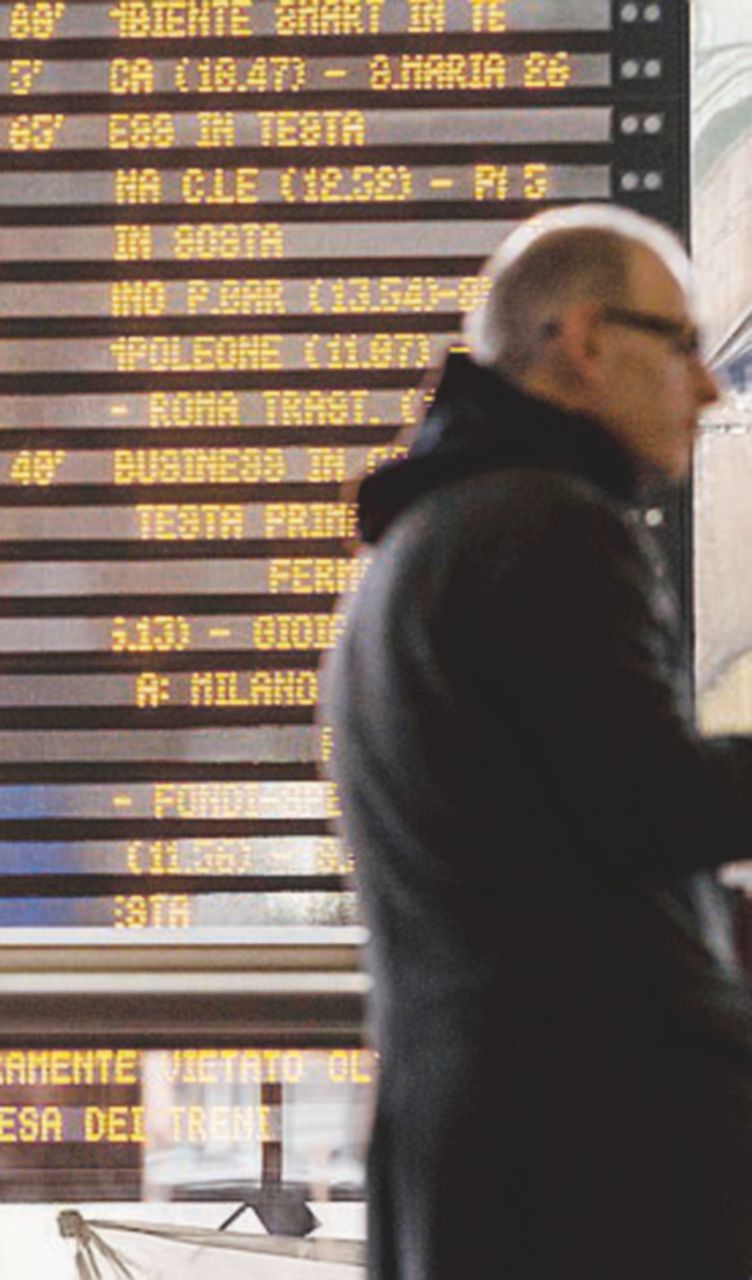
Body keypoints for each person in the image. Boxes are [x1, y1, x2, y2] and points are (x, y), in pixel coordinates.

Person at [325, 205, 752, 1280]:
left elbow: (543, 845)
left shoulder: (423, 543)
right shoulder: (551, 525)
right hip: (600, 1158)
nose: (708, 388)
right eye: (683, 344)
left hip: (477, 1152)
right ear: (581, 340)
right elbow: (650, 806)